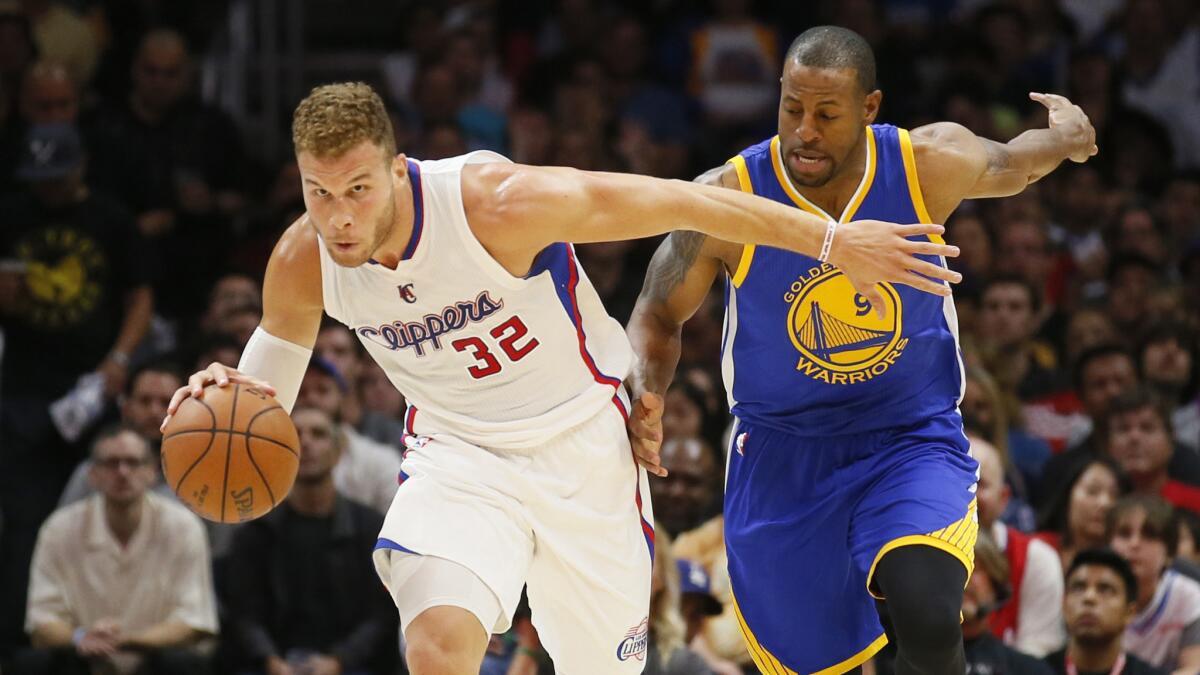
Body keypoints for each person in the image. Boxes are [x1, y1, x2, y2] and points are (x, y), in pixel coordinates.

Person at [161, 81, 959, 675]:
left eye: (358, 189)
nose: (338, 216)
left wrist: (832, 241)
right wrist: (224, 398)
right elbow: (258, 407)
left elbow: (690, 201)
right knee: (437, 648)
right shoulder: (303, 260)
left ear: (398, 171)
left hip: (585, 446)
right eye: (319, 192)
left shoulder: (497, 206)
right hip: (458, 455)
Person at [627, 24, 1097, 675]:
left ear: (869, 108)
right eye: (792, 109)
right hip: (782, 453)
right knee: (818, 665)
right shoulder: (729, 196)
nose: (804, 132)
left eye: (826, 114)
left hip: (906, 436)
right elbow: (656, 308)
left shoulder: (923, 164)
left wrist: (1066, 139)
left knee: (930, 619)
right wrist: (646, 391)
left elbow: (1016, 162)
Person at [18, 426, 217, 675]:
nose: (122, 472)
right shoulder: (59, 529)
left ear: (153, 471)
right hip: (84, 661)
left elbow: (193, 623)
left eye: (133, 462)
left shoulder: (183, 527)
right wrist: (80, 637)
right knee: (32, 663)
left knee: (182, 663)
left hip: (153, 661)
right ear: (92, 474)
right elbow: (41, 624)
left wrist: (127, 641)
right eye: (111, 463)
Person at [220, 406, 397, 675]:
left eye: (318, 434)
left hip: (351, 666)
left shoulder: (371, 528)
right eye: (295, 434)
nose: (305, 442)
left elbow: (381, 617)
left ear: (338, 453)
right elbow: (244, 615)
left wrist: (339, 661)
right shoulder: (256, 531)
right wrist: (270, 660)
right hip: (273, 664)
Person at [972, 434, 1066, 657]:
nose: (967, 495)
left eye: (979, 484)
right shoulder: (915, 555)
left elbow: (1036, 659)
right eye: (955, 482)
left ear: (1003, 498)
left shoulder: (1036, 558)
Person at [1108, 495, 1200, 672]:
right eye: (1124, 534)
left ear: (1169, 553)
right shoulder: (1091, 591)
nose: (1134, 544)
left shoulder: (1191, 598)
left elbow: (1194, 668)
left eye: (1149, 536)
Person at [1044, 548, 1168, 675]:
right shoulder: (1035, 670)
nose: (1089, 597)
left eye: (1105, 589)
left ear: (1129, 612)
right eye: (1078, 588)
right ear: (1064, 606)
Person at [956, 533, 1054, 675]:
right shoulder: (914, 661)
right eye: (956, 569)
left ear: (996, 588)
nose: (964, 578)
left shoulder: (1029, 670)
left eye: (975, 568)